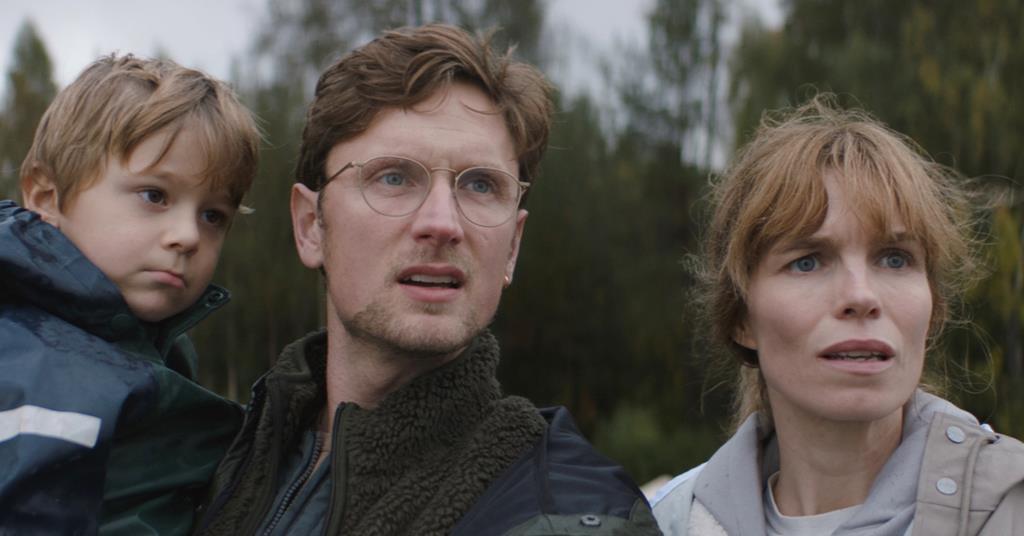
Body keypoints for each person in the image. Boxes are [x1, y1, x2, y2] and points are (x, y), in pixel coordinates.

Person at [192, 24, 659, 536]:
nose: (443, 223)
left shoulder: (574, 516)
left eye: (481, 185)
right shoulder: (193, 469)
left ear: (513, 246)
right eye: (394, 177)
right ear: (311, 225)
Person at [651, 95, 1024, 535]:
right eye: (807, 261)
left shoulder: (1009, 508)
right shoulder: (669, 523)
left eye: (894, 259)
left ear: (932, 307)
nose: (861, 296)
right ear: (741, 318)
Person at [0, 54, 260, 533]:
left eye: (213, 215)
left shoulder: (162, 362)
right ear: (45, 196)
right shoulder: (21, 357)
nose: (187, 236)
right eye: (154, 195)